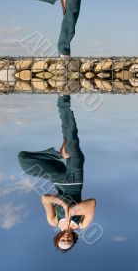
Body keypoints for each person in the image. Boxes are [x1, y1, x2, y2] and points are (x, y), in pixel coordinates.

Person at [18, 95, 96, 252]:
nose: (66, 238)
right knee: (71, 138)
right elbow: (92, 203)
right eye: (68, 241)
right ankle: (64, 98)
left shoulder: (53, 221)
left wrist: (63, 204)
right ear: (73, 239)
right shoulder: (81, 224)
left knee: (24, 159)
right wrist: (73, 211)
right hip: (75, 180)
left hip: (58, 180)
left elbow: (45, 199)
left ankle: (59, 155)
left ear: (58, 238)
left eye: (63, 240)